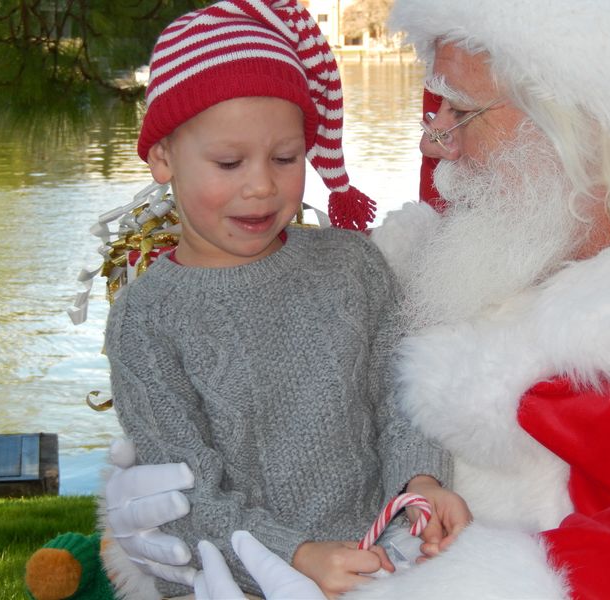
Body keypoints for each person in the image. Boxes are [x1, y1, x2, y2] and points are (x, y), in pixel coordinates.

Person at [103, 0, 610, 597]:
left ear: (581, 120)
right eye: (437, 106)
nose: (433, 139)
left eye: (462, 109)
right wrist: (175, 540)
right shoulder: (442, 266)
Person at [99, 1, 470, 599]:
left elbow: (399, 394)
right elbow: (184, 489)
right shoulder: (147, 319)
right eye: (228, 161)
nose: (262, 186)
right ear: (163, 157)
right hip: (240, 579)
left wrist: (419, 479)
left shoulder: (353, 264)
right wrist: (294, 556)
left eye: (284, 157)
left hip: (387, 566)